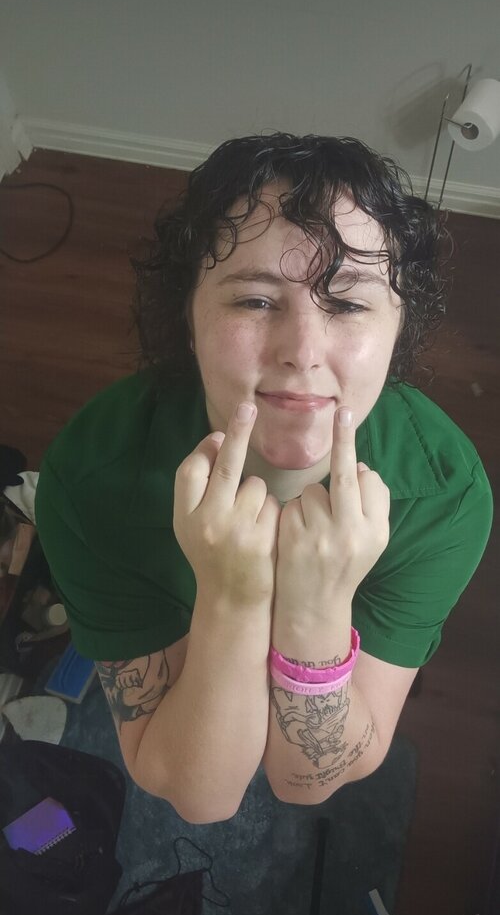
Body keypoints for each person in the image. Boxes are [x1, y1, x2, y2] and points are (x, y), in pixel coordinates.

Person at [35, 133, 493, 824]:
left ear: (399, 330)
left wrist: (318, 606)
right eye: (254, 301)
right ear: (188, 319)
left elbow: (304, 784)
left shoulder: (443, 497)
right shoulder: (92, 481)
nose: (303, 353)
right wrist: (233, 596)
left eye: (349, 303)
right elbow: (202, 797)